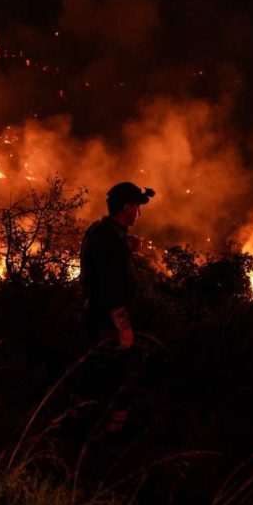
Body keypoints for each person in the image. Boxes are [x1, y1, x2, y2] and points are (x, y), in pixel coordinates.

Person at [77, 181, 154, 434]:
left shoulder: (101, 233)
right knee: (117, 377)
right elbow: (111, 288)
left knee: (100, 375)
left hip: (95, 316)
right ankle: (109, 433)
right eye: (135, 207)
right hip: (106, 322)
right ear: (125, 207)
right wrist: (123, 327)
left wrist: (127, 245)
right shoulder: (109, 240)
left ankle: (94, 426)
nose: (138, 213)